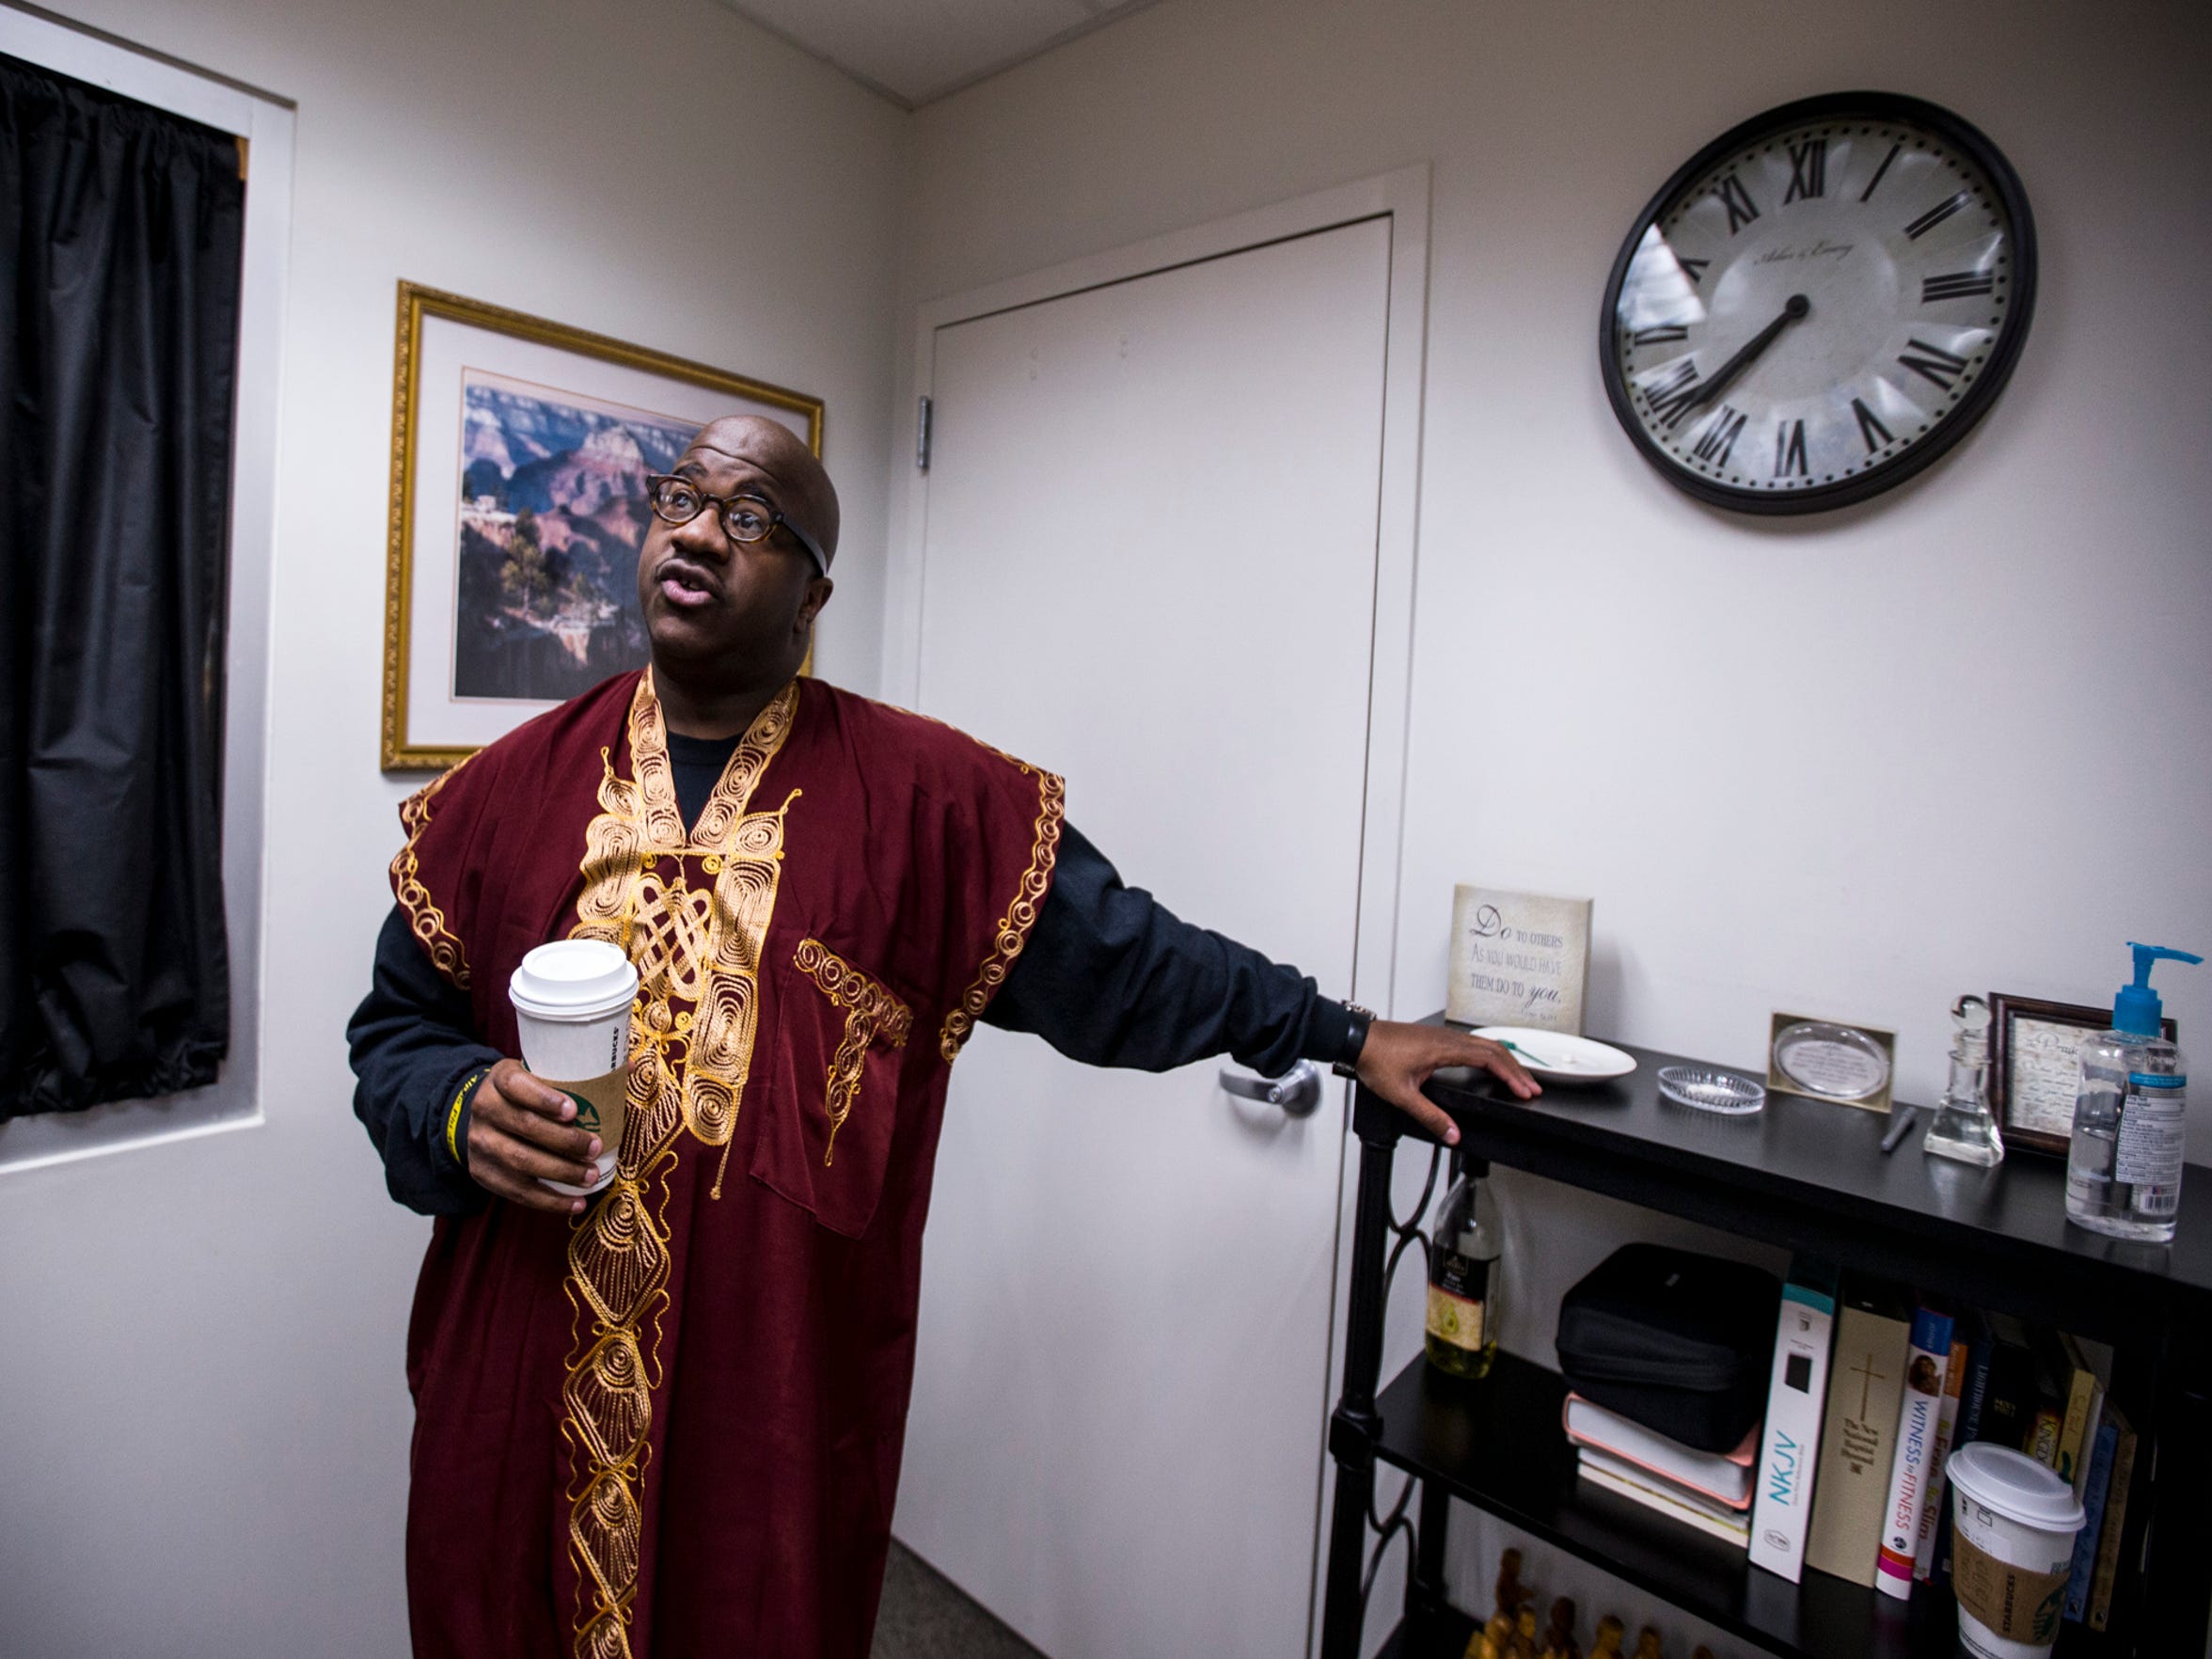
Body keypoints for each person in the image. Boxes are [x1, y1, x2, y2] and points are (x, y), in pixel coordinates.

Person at [349, 415, 1537, 1658]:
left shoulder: (927, 807)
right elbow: (395, 1031)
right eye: (680, 497)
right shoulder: (508, 793)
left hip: (763, 1411)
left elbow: (1130, 961)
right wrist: (455, 1104)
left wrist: (1344, 1032)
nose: (697, 530)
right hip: (520, 1373)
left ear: (812, 589)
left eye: (749, 516)